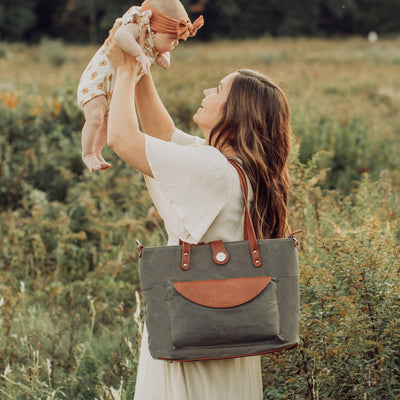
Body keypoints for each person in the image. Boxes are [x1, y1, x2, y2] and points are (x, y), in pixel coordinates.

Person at [104, 22, 291, 400]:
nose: (207, 90)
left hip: (193, 336)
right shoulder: (233, 166)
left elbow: (123, 139)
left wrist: (124, 69)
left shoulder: (213, 171)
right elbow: (161, 133)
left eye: (219, 89)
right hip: (226, 334)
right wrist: (142, 66)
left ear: (235, 113)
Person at [77, 0, 204, 172]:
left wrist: (164, 56)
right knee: (96, 117)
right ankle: (87, 153)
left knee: (107, 124)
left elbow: (162, 48)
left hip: (113, 89)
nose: (175, 44)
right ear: (154, 29)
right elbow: (120, 36)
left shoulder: (155, 40)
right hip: (96, 84)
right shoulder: (137, 26)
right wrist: (139, 54)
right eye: (173, 38)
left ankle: (97, 150)